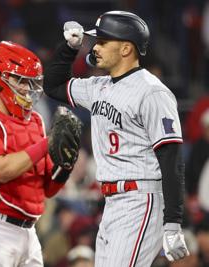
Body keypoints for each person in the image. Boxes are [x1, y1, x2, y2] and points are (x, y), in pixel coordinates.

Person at [43, 10, 189, 266]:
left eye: (102, 41)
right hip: (111, 201)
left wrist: (173, 221)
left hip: (141, 199)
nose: (95, 47)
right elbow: (53, 85)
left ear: (125, 49)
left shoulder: (152, 92)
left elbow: (171, 158)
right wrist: (69, 48)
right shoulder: (99, 86)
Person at [0, 41, 74, 267]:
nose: (26, 88)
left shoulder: (37, 121)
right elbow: (1, 171)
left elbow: (47, 190)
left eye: (31, 82)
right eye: (20, 80)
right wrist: (49, 142)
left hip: (29, 232)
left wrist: (65, 164)